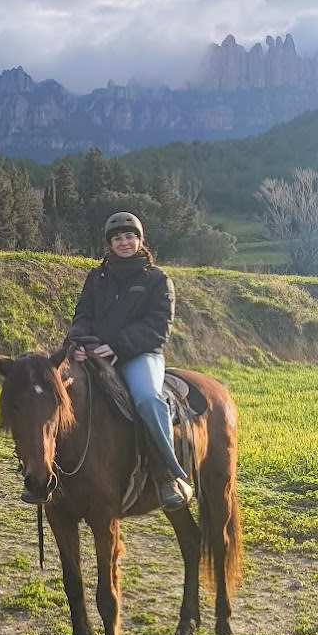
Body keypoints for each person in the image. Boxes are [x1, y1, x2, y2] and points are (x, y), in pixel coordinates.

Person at [65, 211, 193, 511]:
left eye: (129, 236)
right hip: (96, 354)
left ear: (140, 240)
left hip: (140, 355)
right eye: (117, 238)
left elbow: (158, 327)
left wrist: (119, 346)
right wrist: (77, 345)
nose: (124, 242)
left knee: (148, 400)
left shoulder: (158, 279)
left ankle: (168, 476)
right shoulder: (96, 277)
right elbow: (82, 316)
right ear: (109, 244)